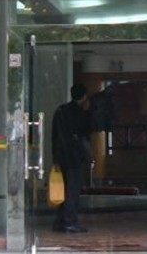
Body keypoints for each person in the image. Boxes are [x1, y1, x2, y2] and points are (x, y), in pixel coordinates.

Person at [51, 83, 92, 233]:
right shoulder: (80, 112)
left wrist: (55, 157)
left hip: (61, 157)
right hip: (75, 157)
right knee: (73, 191)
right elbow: (86, 131)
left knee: (62, 190)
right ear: (84, 96)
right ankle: (70, 221)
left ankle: (59, 220)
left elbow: (54, 136)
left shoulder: (60, 111)